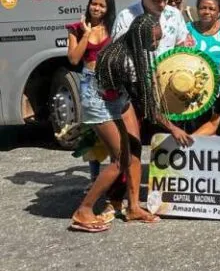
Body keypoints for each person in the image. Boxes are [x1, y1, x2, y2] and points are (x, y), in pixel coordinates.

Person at [69, 15, 192, 232]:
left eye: (158, 40)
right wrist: (172, 128)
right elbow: (147, 104)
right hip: (100, 104)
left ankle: (133, 207)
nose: (155, 45)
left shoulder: (133, 46)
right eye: (153, 41)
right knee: (120, 159)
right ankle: (84, 210)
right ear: (140, 36)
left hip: (118, 96)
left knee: (134, 149)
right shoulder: (125, 60)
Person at [66, 0, 116, 201]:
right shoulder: (76, 29)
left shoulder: (113, 28)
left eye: (101, 6)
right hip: (89, 81)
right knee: (92, 132)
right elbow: (74, 59)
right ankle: (94, 178)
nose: (96, 8)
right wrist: (86, 34)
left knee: (114, 129)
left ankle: (114, 179)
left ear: (108, 9)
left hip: (111, 82)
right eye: (93, 4)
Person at [112, 0, 191, 53]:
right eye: (156, 1)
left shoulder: (175, 15)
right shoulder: (126, 17)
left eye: (165, 0)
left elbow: (181, 45)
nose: (162, 5)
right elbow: (117, 52)